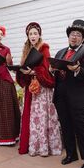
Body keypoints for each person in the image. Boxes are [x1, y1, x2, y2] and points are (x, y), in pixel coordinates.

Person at [52, 19, 84, 168]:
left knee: (81, 129)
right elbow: (55, 73)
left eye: (78, 34)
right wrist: (52, 71)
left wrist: (77, 69)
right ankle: (71, 154)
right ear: (68, 36)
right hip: (61, 97)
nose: (74, 37)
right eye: (72, 33)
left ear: (83, 39)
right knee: (66, 127)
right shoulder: (60, 52)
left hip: (78, 98)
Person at [16, 22, 62, 156]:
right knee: (31, 117)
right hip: (31, 88)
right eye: (30, 34)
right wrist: (21, 71)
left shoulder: (44, 48)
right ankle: (33, 146)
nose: (33, 36)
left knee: (42, 117)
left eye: (35, 33)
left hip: (42, 88)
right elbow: (24, 67)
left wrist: (34, 72)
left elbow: (47, 69)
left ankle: (44, 147)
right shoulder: (26, 50)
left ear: (39, 34)